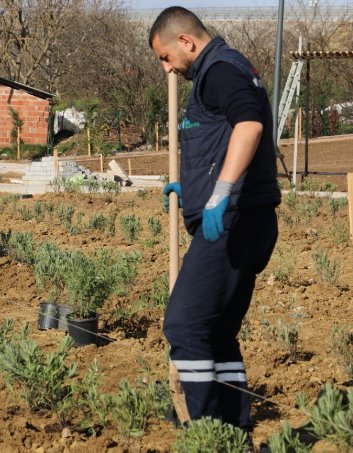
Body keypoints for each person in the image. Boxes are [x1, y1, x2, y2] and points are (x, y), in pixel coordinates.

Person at [149, 6, 281, 432]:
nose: (167, 69)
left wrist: (220, 194)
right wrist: (192, 189)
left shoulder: (220, 70)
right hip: (247, 220)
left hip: (232, 221)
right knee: (217, 334)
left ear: (186, 41)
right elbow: (221, 139)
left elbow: (249, 126)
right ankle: (232, 432)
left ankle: (205, 432)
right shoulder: (225, 68)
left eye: (165, 57)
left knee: (185, 326)